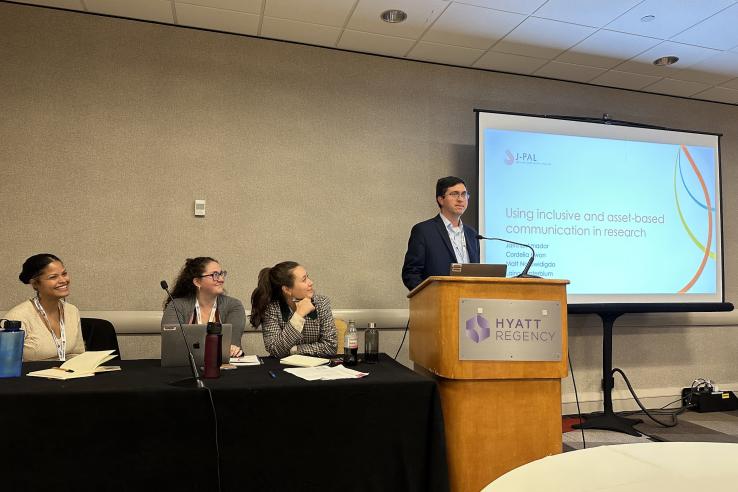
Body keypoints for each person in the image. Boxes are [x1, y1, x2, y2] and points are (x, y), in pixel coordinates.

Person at [402, 176, 480, 291]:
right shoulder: (424, 231)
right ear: (440, 199)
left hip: (469, 302)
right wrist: (429, 296)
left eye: (464, 194)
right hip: (437, 303)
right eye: (454, 194)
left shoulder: (472, 234)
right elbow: (411, 273)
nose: (460, 199)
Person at [4, 254, 85, 361]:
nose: (63, 280)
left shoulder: (72, 311)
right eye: (53, 277)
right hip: (29, 376)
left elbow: (78, 354)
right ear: (35, 284)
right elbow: (6, 362)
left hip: (67, 375)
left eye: (64, 274)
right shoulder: (16, 318)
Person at [249, 261, 337, 358]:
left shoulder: (321, 303)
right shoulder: (272, 308)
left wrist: (295, 350)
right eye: (304, 280)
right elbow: (275, 350)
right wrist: (298, 316)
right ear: (287, 290)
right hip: (281, 368)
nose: (311, 282)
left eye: (308, 277)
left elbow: (330, 347)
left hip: (316, 368)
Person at [161, 257, 245, 358]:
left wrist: (231, 349)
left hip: (223, 367)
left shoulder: (234, 306)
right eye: (215, 275)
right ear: (197, 282)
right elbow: (173, 344)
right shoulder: (177, 306)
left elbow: (232, 345)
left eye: (222, 274)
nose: (221, 279)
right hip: (186, 367)